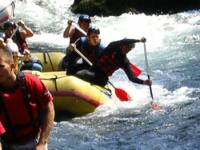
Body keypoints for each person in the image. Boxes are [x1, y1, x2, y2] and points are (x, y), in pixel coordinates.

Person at [0, 48, 55, 149]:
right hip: (7, 143)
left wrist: (43, 142)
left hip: (34, 140)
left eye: (1, 66)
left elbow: (48, 107)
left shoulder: (31, 82)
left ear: (12, 66)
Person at [74, 38, 152, 87]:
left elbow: (132, 78)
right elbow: (122, 41)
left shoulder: (124, 61)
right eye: (127, 47)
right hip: (92, 70)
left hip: (102, 77)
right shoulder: (112, 47)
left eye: (130, 49)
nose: (128, 50)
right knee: (77, 73)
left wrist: (144, 82)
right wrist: (138, 40)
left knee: (81, 74)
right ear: (122, 45)